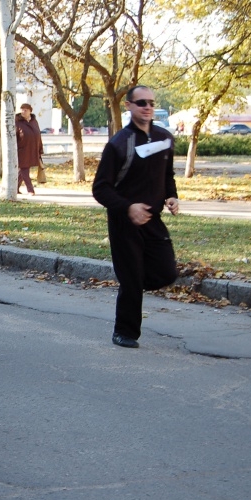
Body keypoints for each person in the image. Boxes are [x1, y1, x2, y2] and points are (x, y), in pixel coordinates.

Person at [92, 85, 179, 349]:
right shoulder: (119, 144)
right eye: (141, 103)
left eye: (151, 102)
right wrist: (128, 207)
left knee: (166, 272)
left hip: (153, 219)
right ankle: (125, 332)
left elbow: (167, 175)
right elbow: (100, 188)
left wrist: (171, 196)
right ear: (129, 106)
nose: (148, 107)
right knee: (131, 278)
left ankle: (134, 285)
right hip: (124, 222)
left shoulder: (164, 138)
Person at [15, 103, 44, 196]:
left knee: (23, 170)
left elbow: (38, 136)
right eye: (22, 109)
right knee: (24, 169)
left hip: (32, 149)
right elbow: (14, 137)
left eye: (25, 110)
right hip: (21, 150)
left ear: (30, 111)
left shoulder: (34, 122)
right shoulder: (17, 122)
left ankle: (15, 188)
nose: (23, 112)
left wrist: (40, 149)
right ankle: (30, 190)